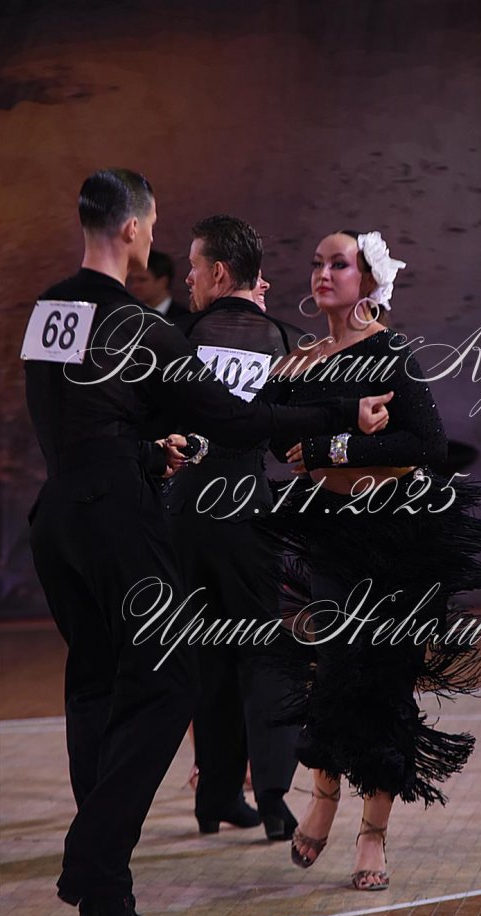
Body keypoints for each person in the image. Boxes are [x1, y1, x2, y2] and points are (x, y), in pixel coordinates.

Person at [23, 170, 393, 916]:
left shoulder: (49, 310)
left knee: (94, 683)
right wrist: (339, 408)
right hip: (116, 521)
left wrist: (139, 449)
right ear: (131, 228)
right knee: (171, 683)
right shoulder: (143, 327)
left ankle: (101, 881)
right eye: (154, 225)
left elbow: (71, 417)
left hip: (56, 520)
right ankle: (93, 857)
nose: (157, 240)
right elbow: (237, 420)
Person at [262, 229, 481, 890]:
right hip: (332, 532)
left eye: (338, 263)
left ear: (368, 280)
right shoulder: (301, 359)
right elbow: (271, 432)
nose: (323, 273)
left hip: (396, 534)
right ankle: (323, 793)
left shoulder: (390, 350)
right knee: (332, 669)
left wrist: (330, 448)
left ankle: (372, 833)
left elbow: (426, 442)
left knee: (385, 680)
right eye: (316, 262)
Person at [170, 216, 303, 841]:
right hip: (246, 508)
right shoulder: (280, 340)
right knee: (264, 655)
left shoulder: (179, 335)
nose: (189, 278)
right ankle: (271, 796)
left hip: (186, 513)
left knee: (208, 655)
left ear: (219, 273)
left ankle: (215, 796)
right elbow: (284, 442)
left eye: (195, 267)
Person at [127, 248, 189, 319]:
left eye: (142, 280)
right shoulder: (129, 316)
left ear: (163, 282)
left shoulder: (184, 318)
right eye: (132, 280)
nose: (134, 286)